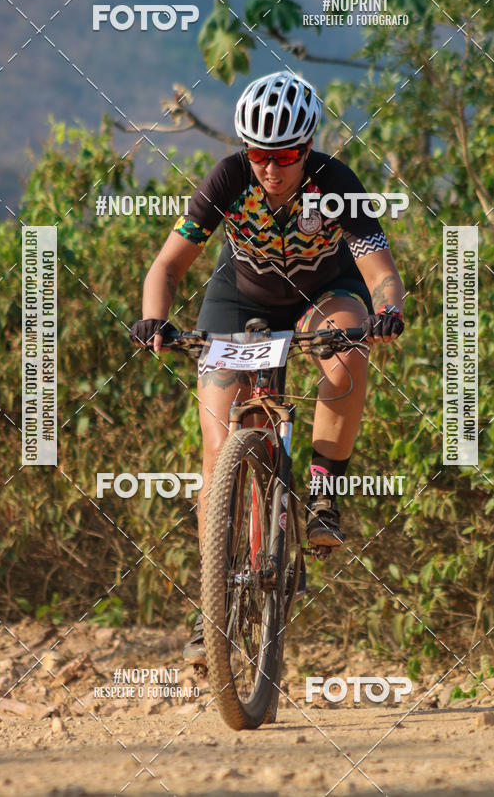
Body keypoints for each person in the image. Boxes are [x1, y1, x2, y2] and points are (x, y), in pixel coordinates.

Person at [130, 70, 405, 664]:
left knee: (345, 353)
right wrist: (154, 319)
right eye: (258, 154)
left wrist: (388, 309)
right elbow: (167, 267)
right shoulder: (228, 178)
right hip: (240, 296)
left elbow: (380, 270)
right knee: (216, 450)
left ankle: (324, 490)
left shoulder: (336, 182)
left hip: (324, 291)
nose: (270, 169)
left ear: (306, 148)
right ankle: (213, 607)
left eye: (283, 156)